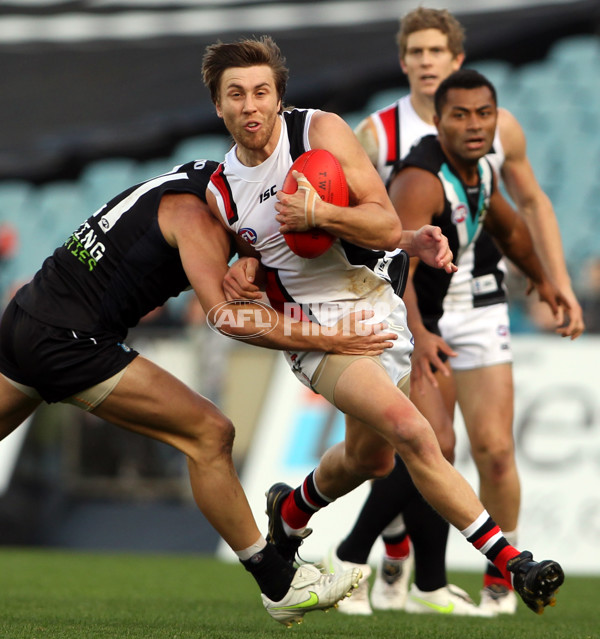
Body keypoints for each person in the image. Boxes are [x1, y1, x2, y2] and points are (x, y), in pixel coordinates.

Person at [202, 35, 565, 619]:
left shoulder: (318, 133)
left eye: (261, 91)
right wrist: (238, 271)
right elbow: (230, 263)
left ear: (278, 96)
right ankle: (513, 562)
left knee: (368, 459)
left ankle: (290, 510)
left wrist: (322, 214)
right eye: (236, 94)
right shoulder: (219, 190)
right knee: (416, 434)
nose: (250, 105)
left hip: (378, 305)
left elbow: (381, 219)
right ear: (217, 106)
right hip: (317, 332)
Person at [0, 158, 409, 627]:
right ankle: (280, 584)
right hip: (69, 340)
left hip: (25, 318)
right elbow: (226, 316)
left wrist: (409, 240)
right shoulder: (196, 216)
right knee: (210, 434)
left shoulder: (204, 180)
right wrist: (329, 337)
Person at [331, 7, 585, 617]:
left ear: (456, 62)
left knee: (492, 450)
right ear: (404, 62)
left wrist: (554, 282)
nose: (425, 62)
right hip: (405, 299)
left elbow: (522, 213)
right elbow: (357, 222)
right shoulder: (379, 138)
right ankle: (385, 560)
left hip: (478, 296)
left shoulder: (491, 132)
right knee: (418, 444)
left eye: (435, 52)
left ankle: (485, 582)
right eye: (414, 52)